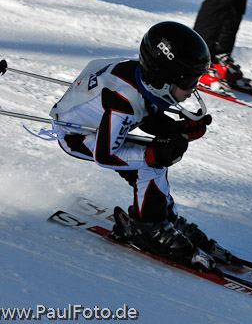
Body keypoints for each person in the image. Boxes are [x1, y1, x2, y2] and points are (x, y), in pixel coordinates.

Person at [49, 21, 230, 270]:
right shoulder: (123, 104)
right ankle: (149, 228)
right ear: (164, 81)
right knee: (153, 163)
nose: (193, 89)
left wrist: (177, 130)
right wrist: (156, 153)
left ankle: (161, 215)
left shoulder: (142, 77)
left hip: (105, 127)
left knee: (156, 160)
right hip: (78, 137)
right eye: (188, 82)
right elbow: (105, 155)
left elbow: (146, 113)